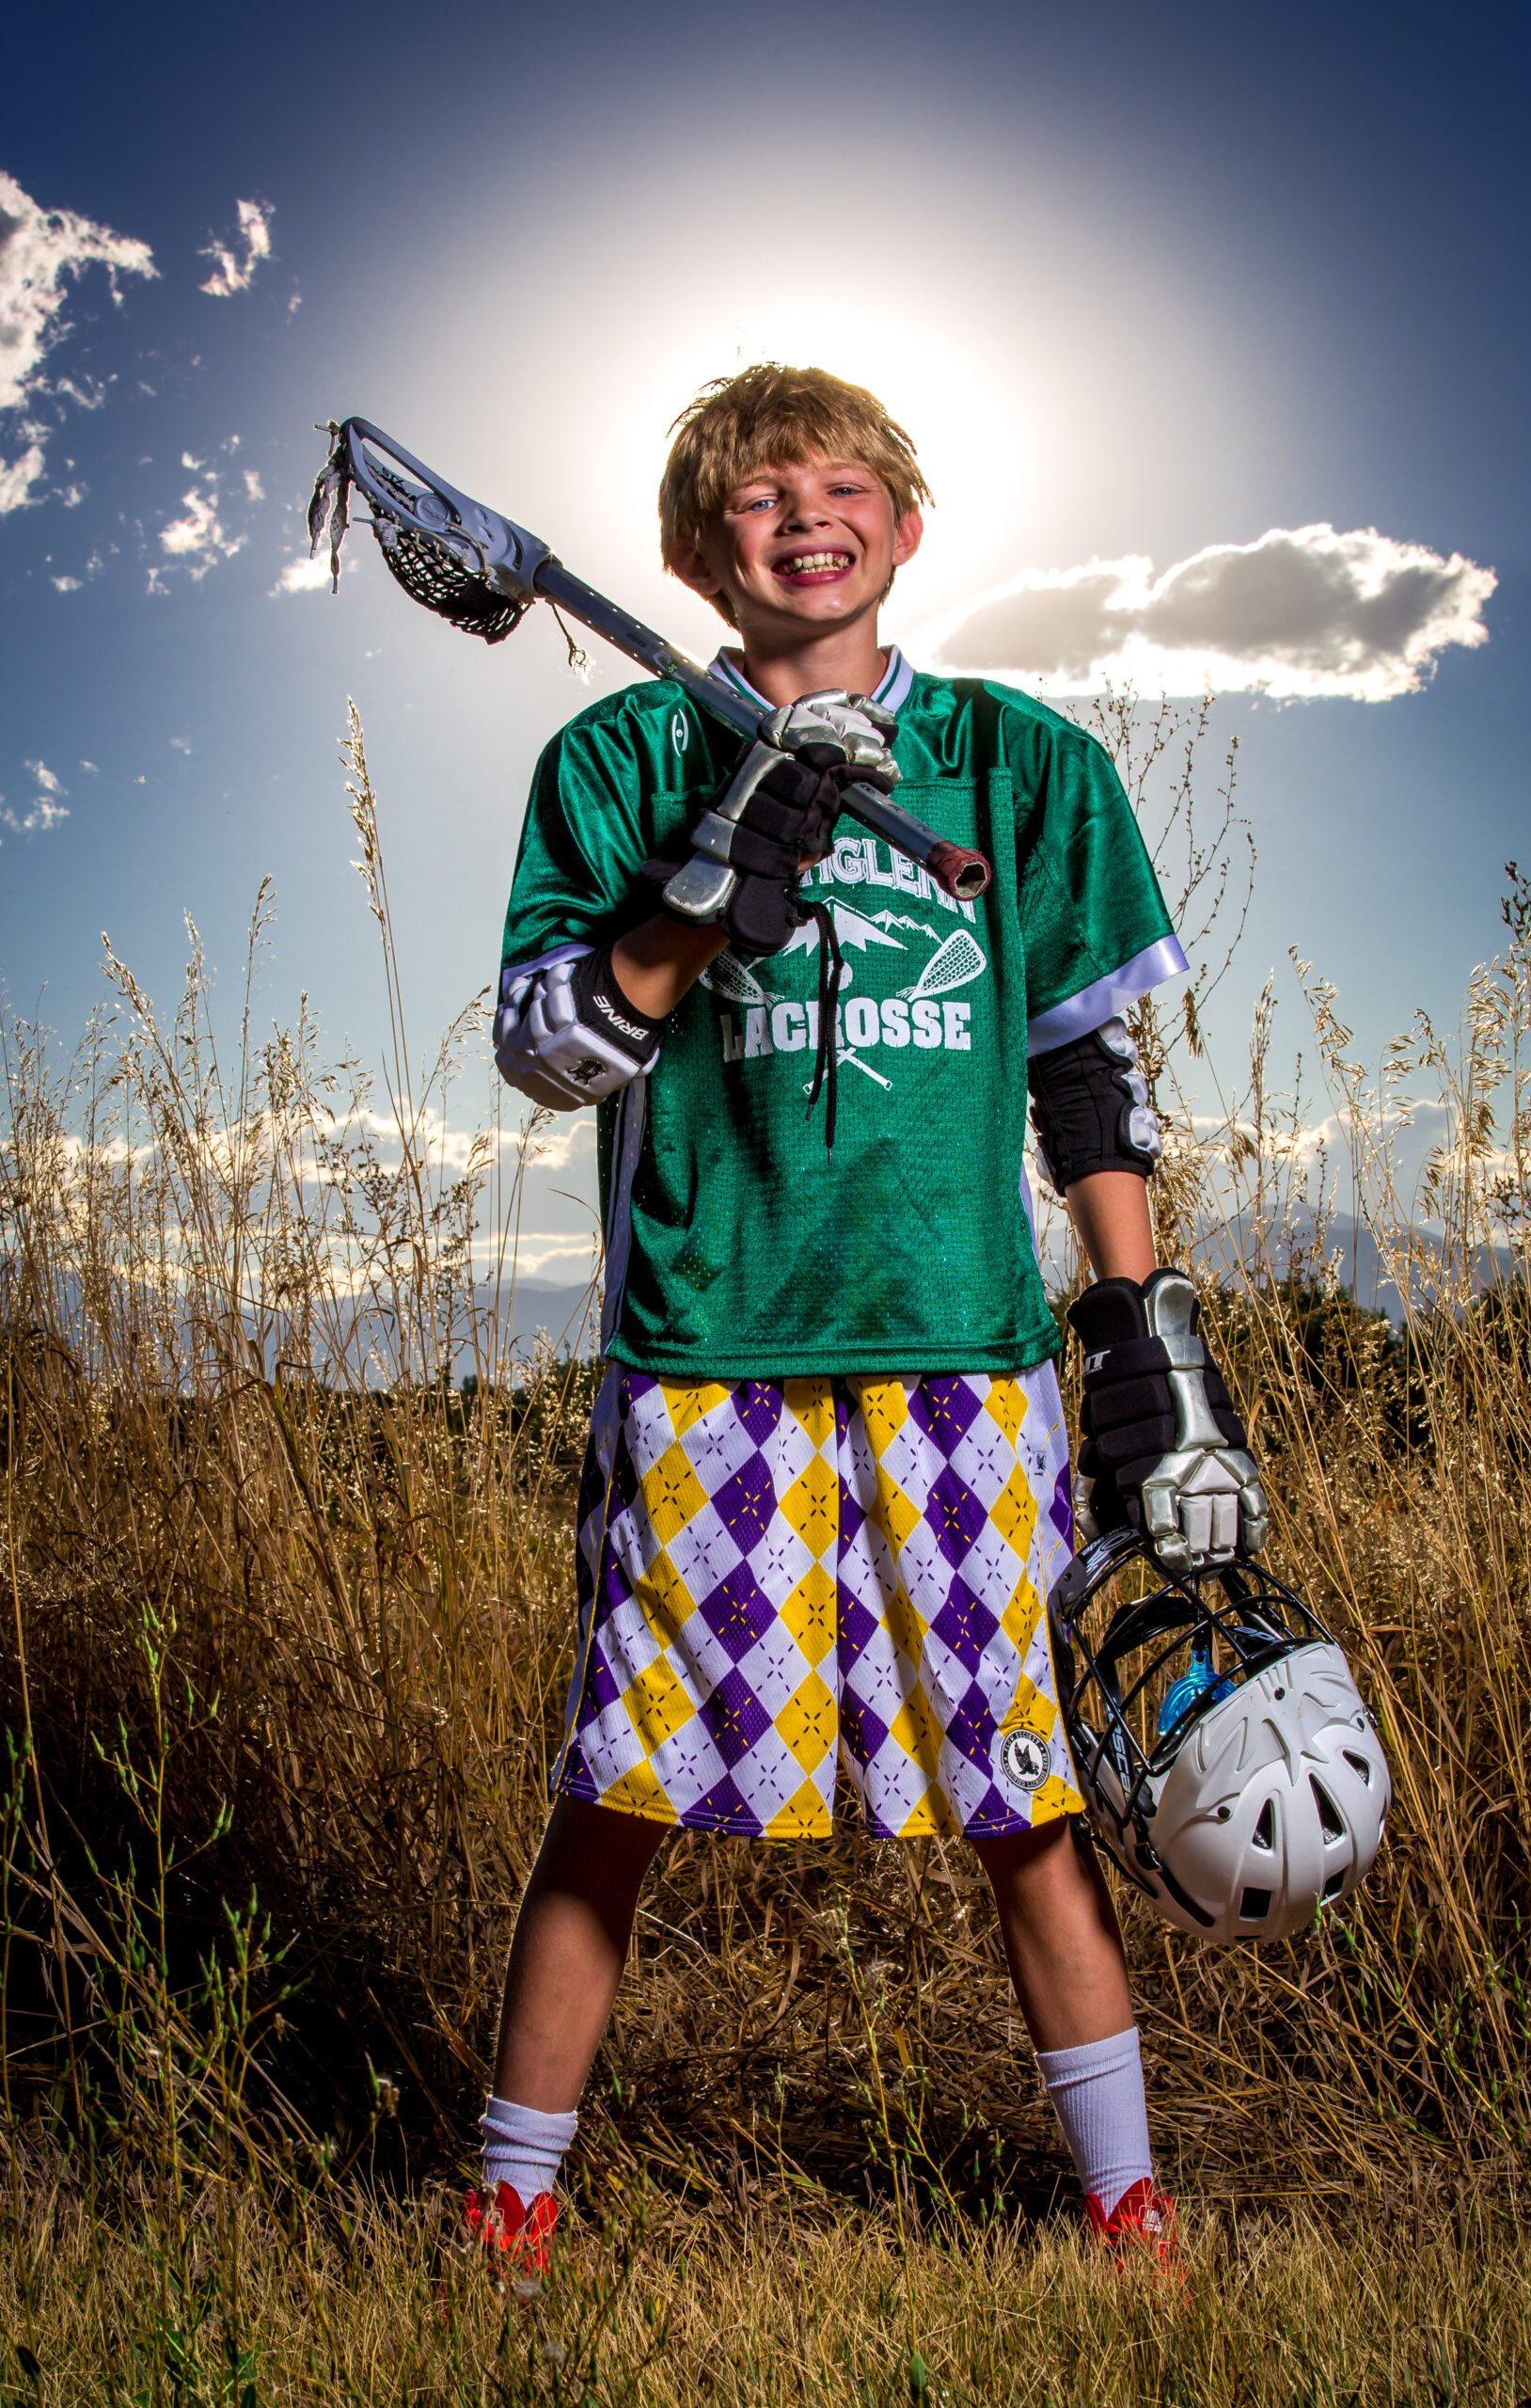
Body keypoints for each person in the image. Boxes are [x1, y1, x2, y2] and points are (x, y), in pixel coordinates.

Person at [469, 364, 1267, 2292]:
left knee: (1022, 1789)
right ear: (694, 555)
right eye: (756, 498)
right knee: (619, 1785)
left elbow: (1084, 1077)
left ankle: (1129, 2211)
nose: (802, 517)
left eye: (841, 487)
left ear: (904, 526)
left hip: (960, 1353)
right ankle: (507, 2209)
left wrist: (1137, 1320)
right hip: (708, 1350)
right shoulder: (618, 759)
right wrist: (704, 883)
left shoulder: (1015, 763)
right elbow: (549, 1051)